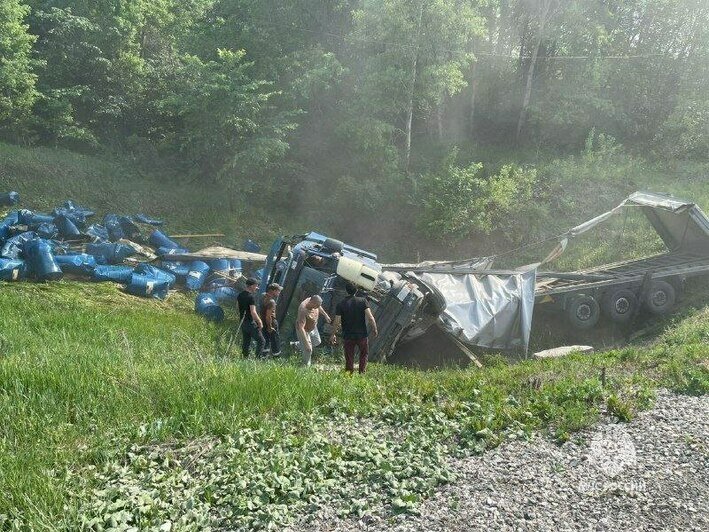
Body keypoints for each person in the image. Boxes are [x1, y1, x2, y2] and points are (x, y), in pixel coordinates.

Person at [331, 281, 378, 374]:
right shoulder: (363, 301)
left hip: (348, 335)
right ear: (356, 291)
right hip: (362, 335)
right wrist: (374, 329)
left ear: (346, 291)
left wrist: (333, 334)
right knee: (364, 353)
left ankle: (349, 374)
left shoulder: (341, 304)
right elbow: (370, 317)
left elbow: (337, 321)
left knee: (349, 355)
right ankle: (362, 372)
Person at [295, 294, 331, 367]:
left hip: (313, 327)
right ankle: (305, 368)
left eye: (318, 306)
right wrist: (307, 344)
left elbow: (319, 306)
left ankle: (296, 345)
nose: (317, 308)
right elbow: (301, 328)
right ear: (312, 302)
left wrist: (325, 315)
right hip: (304, 330)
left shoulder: (312, 300)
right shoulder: (303, 310)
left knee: (317, 341)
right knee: (308, 350)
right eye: (316, 306)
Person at [237, 278, 265, 358]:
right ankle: (257, 360)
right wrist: (260, 322)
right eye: (256, 286)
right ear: (252, 286)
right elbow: (253, 312)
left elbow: (237, 307)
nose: (257, 288)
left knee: (246, 341)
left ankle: (244, 358)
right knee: (261, 341)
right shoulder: (251, 297)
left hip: (242, 322)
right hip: (250, 322)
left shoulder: (240, 295)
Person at [260, 283, 283, 357]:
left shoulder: (263, 295)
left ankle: (263, 356)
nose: (279, 292)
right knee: (275, 340)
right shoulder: (271, 302)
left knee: (265, 339)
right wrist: (270, 327)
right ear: (273, 291)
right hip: (271, 322)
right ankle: (276, 356)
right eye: (278, 291)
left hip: (262, 321)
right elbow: (268, 316)